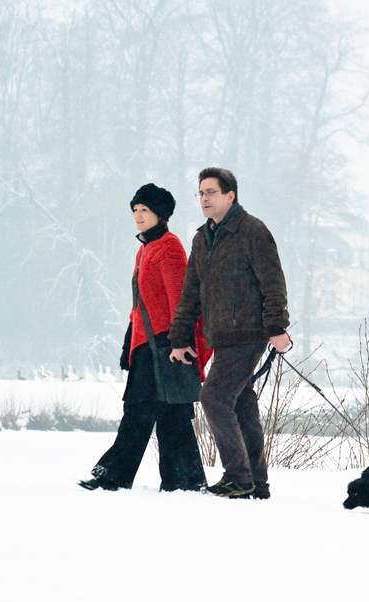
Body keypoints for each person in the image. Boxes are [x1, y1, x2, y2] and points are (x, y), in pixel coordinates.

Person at [79, 184, 211, 492]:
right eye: (135, 211)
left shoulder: (169, 246)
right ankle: (184, 481)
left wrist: (178, 343)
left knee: (141, 412)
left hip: (165, 347)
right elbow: (139, 307)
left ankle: (113, 476)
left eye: (144, 210)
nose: (137, 217)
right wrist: (129, 344)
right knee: (169, 414)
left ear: (160, 214)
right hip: (146, 346)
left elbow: (181, 300)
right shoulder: (145, 250)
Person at [168, 167, 290, 499]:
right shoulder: (201, 238)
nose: (204, 199)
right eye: (201, 193)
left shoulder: (252, 231)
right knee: (241, 404)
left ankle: (238, 476)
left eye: (211, 192)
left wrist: (277, 327)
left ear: (230, 196)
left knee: (214, 397)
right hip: (221, 336)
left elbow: (273, 284)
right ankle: (256, 484)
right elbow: (190, 294)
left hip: (249, 332)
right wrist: (179, 338)